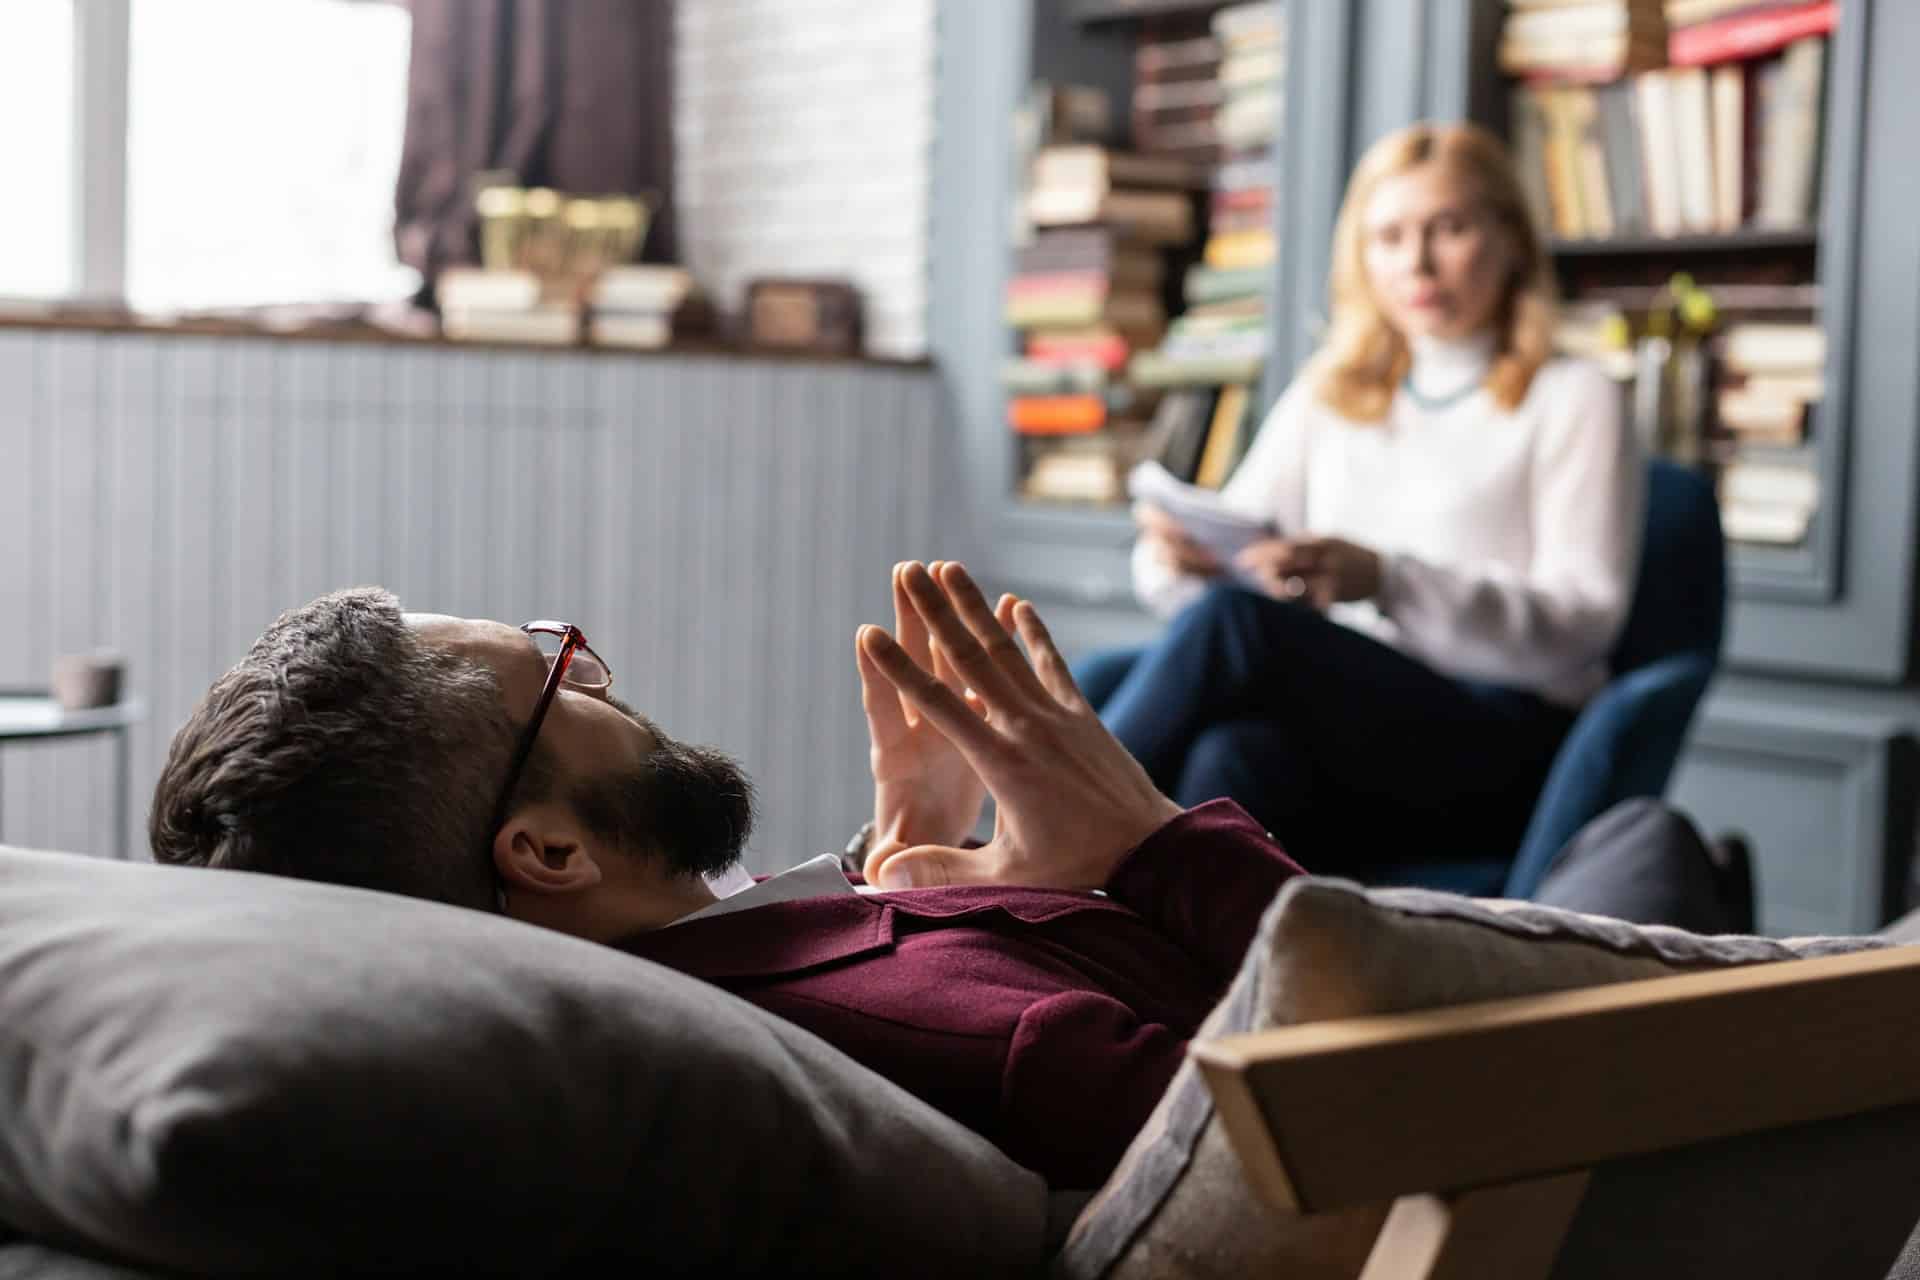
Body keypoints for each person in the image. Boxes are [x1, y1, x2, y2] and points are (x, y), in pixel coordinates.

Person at [149, 562, 1306, 1190]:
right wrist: (1150, 840)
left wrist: (892, 870)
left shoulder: (723, 989)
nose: (605, 677)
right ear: (550, 850)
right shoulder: (981, 1036)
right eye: (563, 678)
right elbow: (1397, 1109)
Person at [1081, 121, 1644, 872]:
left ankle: (1023, 856)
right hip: (1354, 732)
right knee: (1233, 757)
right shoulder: (1331, 392)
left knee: (1237, 629)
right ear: (1363, 257)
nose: (1417, 262)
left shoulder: (1576, 397)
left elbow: (1583, 623)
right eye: (1389, 237)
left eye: (1448, 228)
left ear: (1508, 239)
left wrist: (1388, 579)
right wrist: (1187, 559)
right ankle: (1193, 982)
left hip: (1499, 736)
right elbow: (1227, 561)